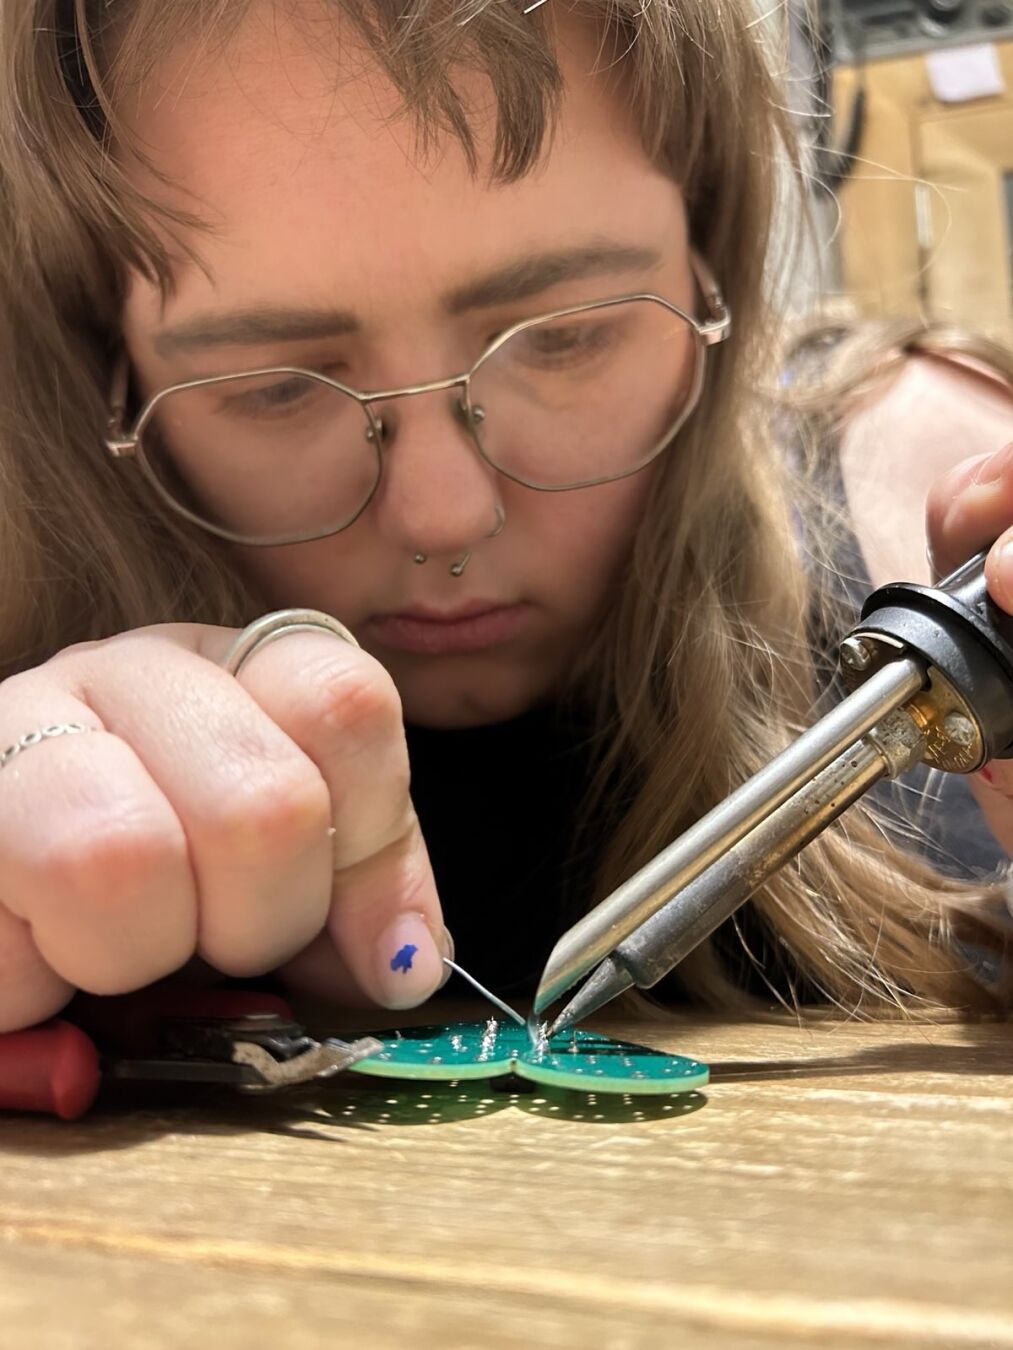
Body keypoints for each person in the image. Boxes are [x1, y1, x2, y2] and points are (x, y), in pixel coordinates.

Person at [0, 0, 1010, 1038]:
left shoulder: (920, 479)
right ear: (106, 379)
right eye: (273, 387)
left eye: (566, 338)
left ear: (711, 261)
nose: (444, 517)